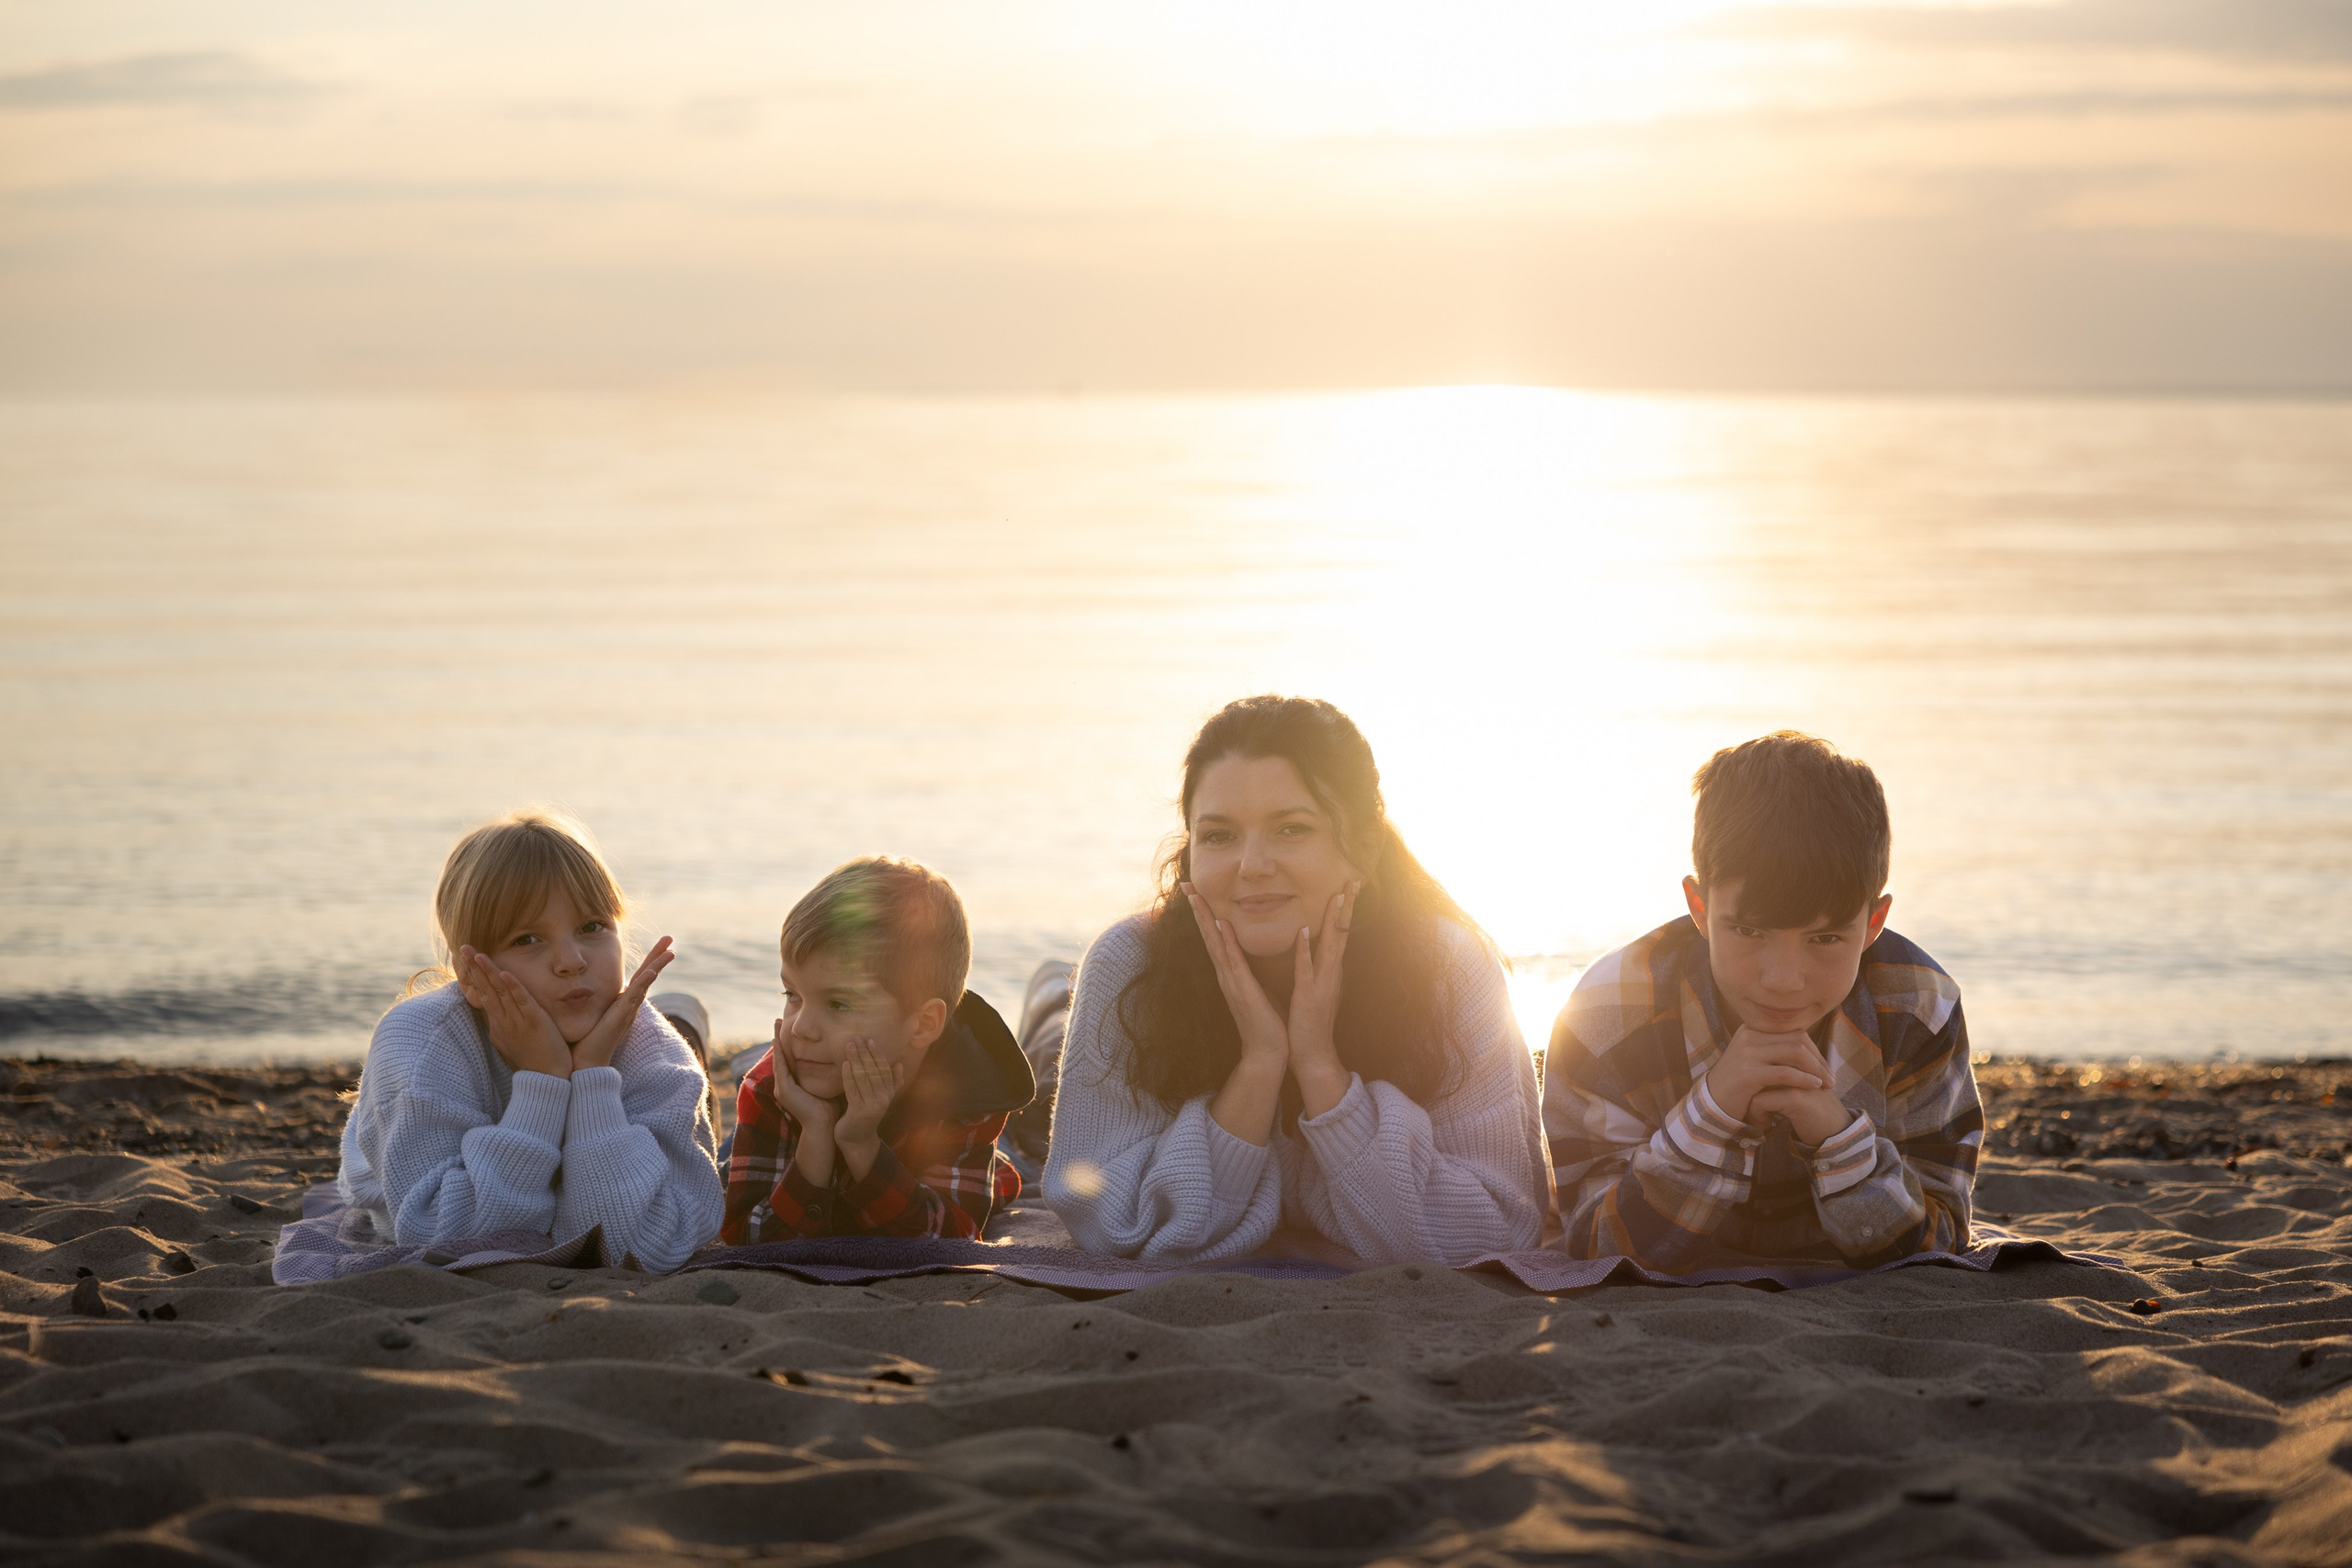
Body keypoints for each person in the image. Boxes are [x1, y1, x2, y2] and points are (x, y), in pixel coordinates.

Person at [1044, 694, 1550, 1266]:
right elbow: (1109, 1226)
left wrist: (1319, 1068)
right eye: (1218, 836)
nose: (1252, 865)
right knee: (1046, 1048)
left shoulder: (1448, 964)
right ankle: (1048, 1005)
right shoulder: (1129, 962)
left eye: (1291, 829)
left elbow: (1496, 1230)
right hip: (1091, 1024)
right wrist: (1260, 1064)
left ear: (1363, 848)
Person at [1544, 731, 1983, 1270]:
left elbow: (1942, 1244)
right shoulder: (1608, 1013)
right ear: (1699, 908)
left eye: (1824, 939)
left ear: (1873, 923)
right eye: (1749, 931)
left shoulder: (1918, 1008)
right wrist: (1713, 1113)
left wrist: (1835, 1137)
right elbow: (1594, 1243)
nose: (1783, 980)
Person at [338, 810, 724, 1273]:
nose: (571, 961)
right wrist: (543, 1081)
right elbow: (447, 1237)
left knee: (680, 1055)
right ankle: (684, 1014)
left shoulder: (651, 1047)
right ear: (472, 974)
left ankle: (683, 1020)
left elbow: (641, 1246)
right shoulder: (418, 1045)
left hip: (642, 1057)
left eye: (592, 927)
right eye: (527, 939)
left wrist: (593, 1076)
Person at [720, 857, 1033, 1243]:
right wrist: (816, 1136)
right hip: (815, 1086)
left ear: (922, 1024)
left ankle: (1049, 998)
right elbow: (744, 1236)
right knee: (725, 1158)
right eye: (792, 995)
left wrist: (861, 1144)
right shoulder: (775, 1085)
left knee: (1017, 1164)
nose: (800, 1028)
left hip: (960, 1138)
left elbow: (955, 1240)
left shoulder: (968, 1094)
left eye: (839, 1004)